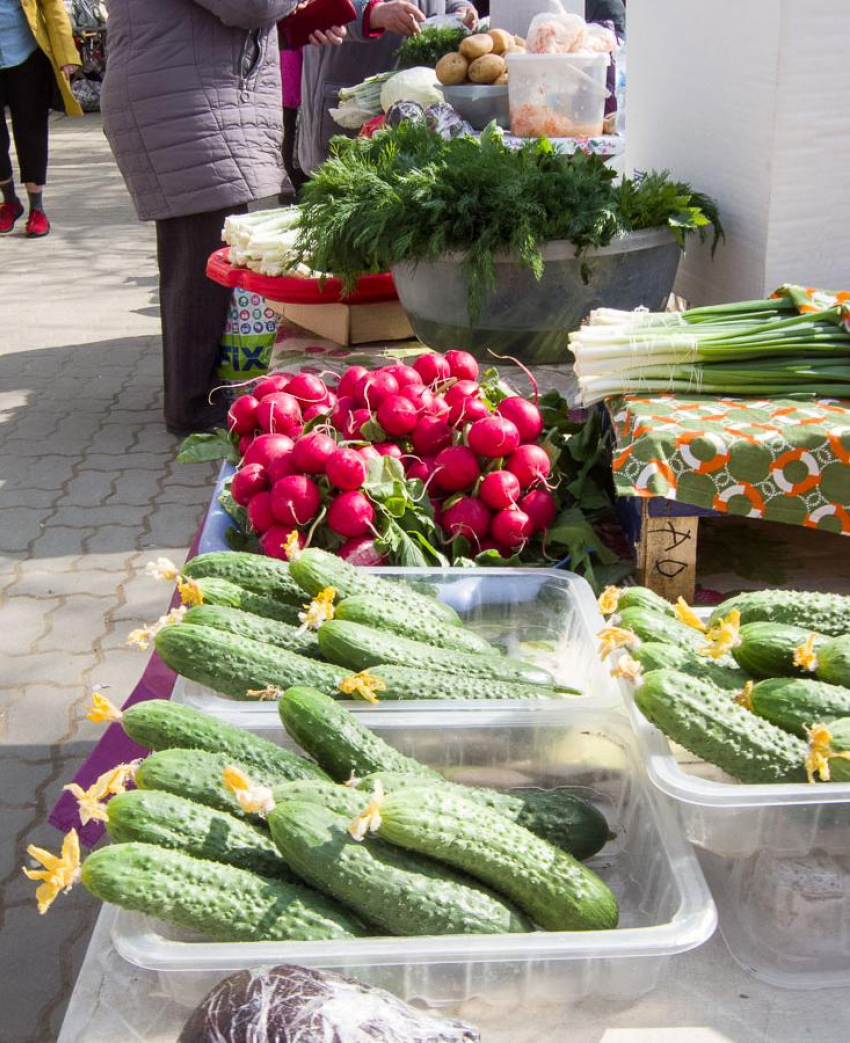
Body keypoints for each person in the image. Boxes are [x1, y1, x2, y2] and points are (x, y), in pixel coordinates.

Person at [101, 0, 346, 436]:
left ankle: (199, 394)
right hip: (188, 104)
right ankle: (193, 408)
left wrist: (295, 21)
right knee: (199, 270)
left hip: (192, 97)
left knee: (195, 263)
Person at [299, 0, 478, 175]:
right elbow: (307, 8)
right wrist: (374, 13)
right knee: (343, 186)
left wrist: (460, 9)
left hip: (423, 103)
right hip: (354, 97)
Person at [0, 0, 82, 238]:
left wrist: (66, 54)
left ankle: (37, 208)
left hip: (27, 58)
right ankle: (10, 202)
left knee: (31, 133)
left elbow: (52, 6)